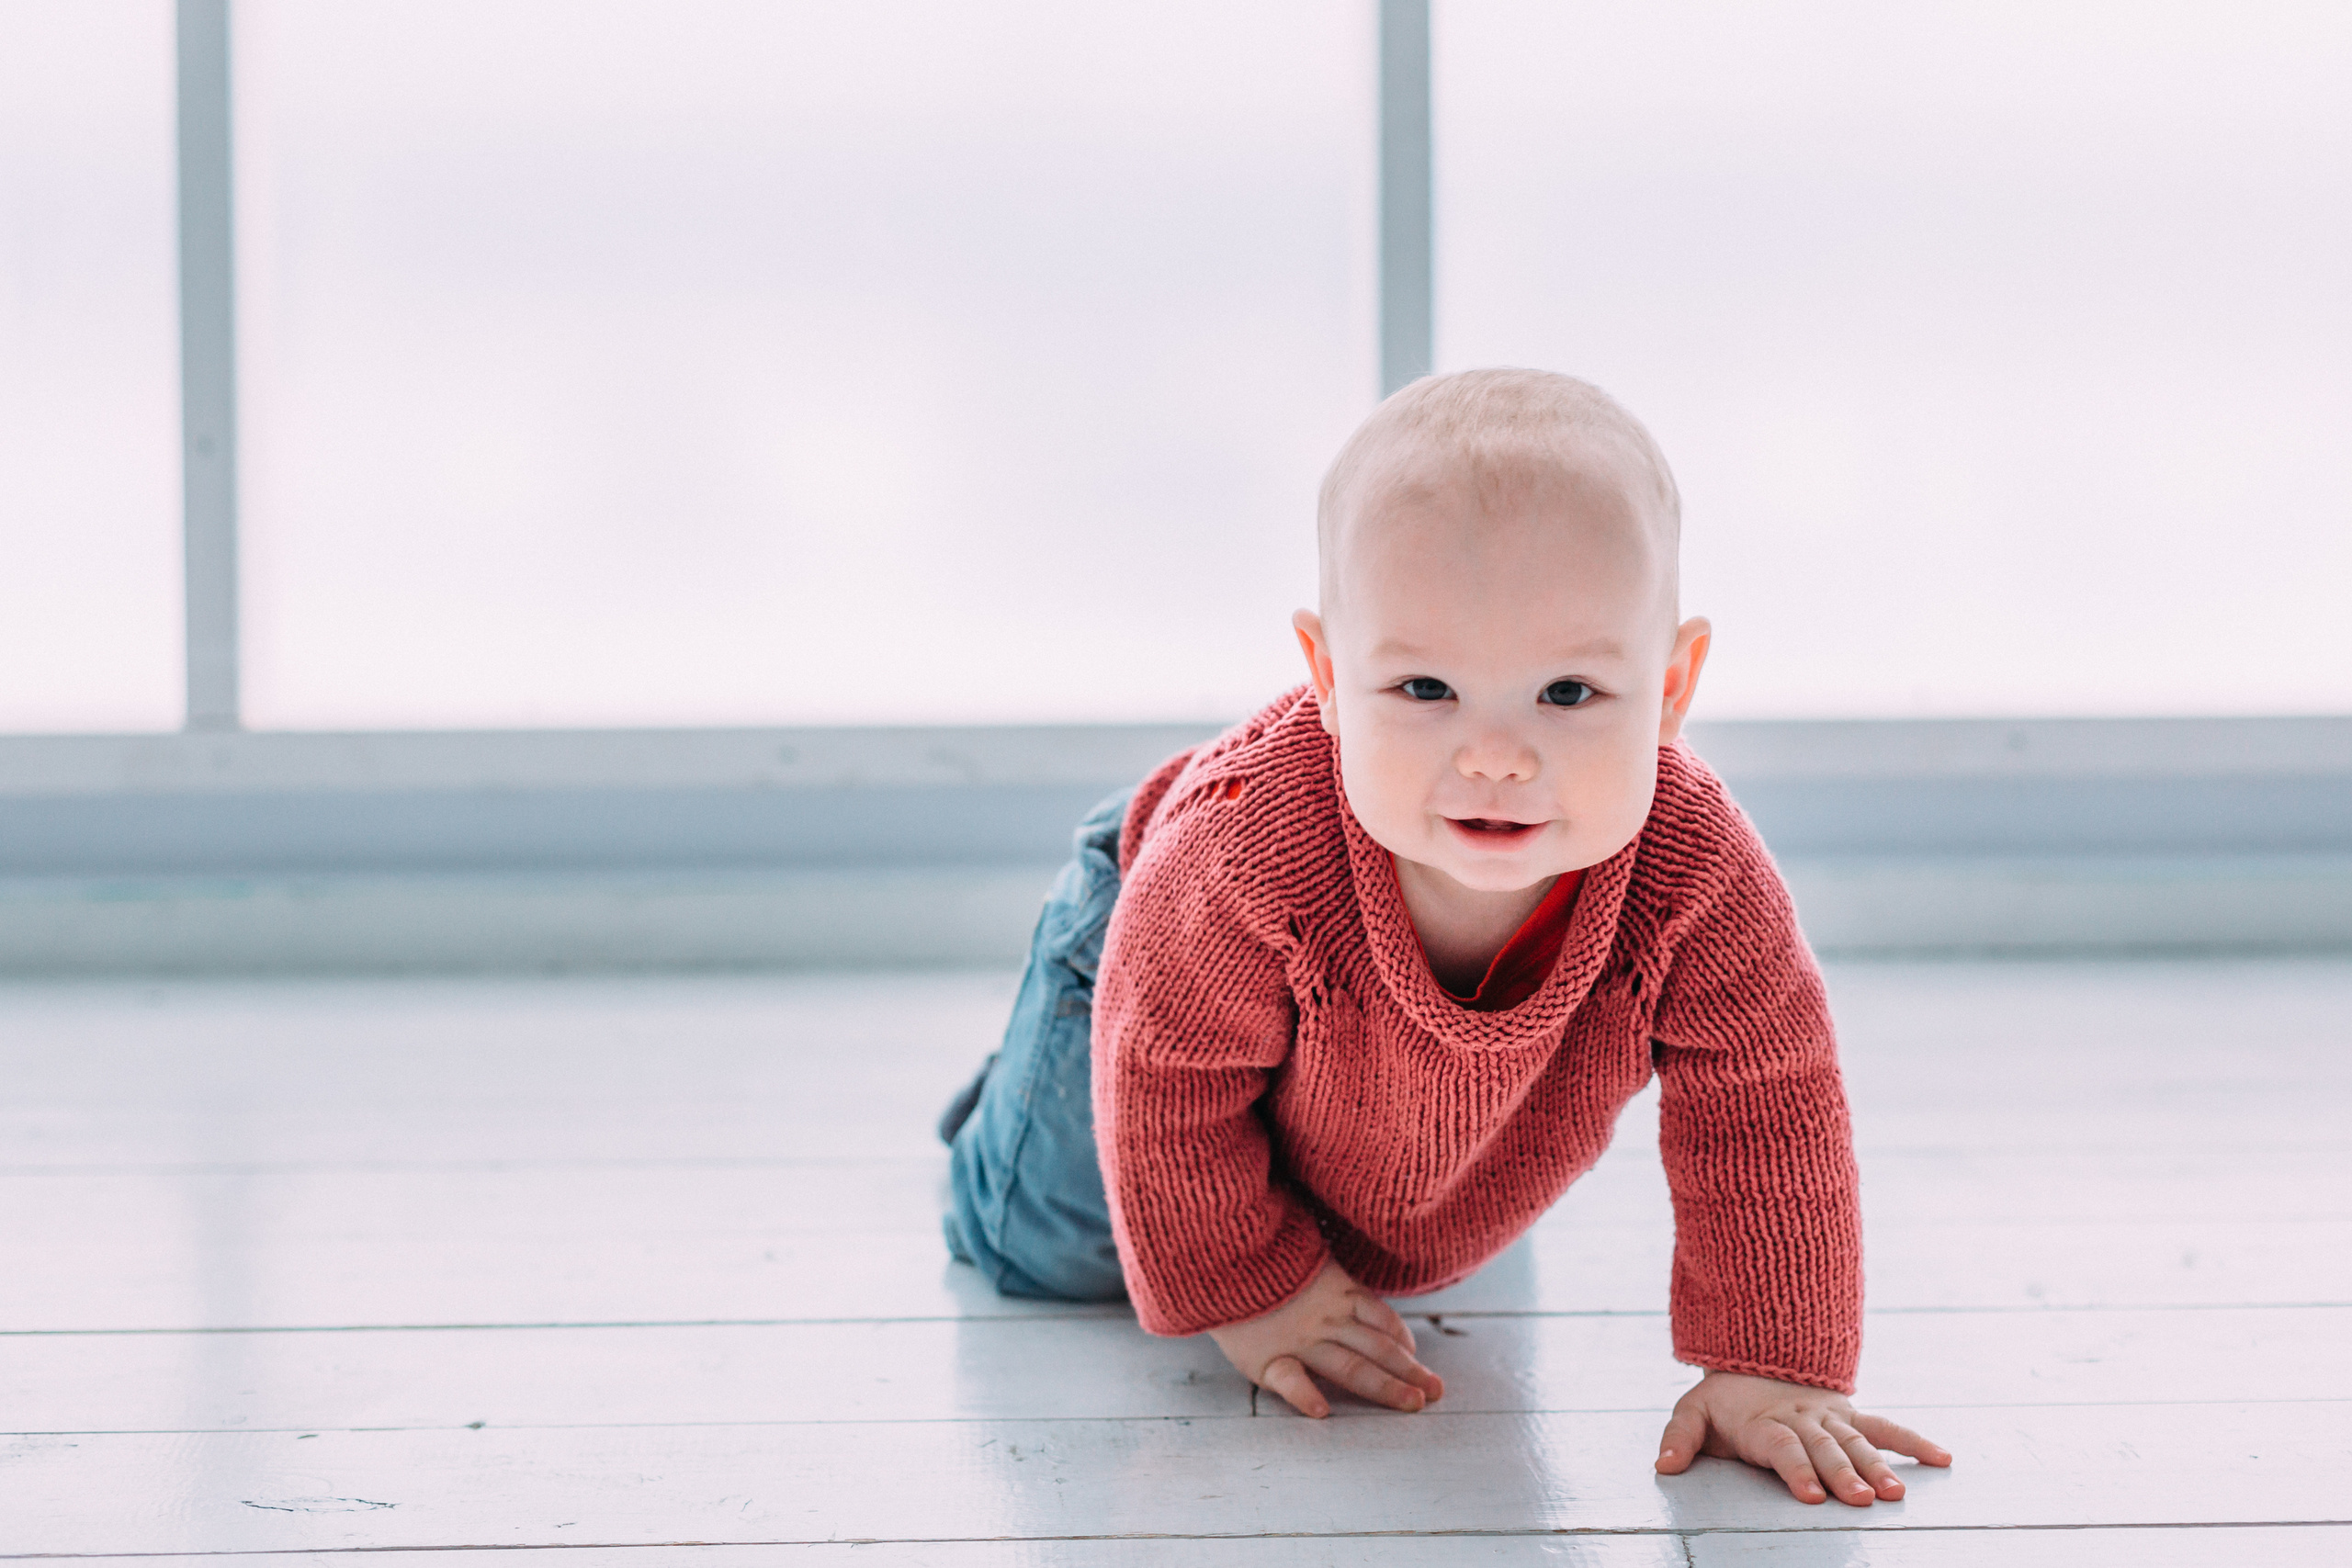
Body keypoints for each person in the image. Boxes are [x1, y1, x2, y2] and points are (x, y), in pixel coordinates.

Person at [940, 367, 1952, 1507]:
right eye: (1425, 687)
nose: (1496, 756)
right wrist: (1249, 1287)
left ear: (1670, 687)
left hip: (1374, 1092)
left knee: (1392, 1240)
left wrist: (1772, 1365)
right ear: (1326, 677)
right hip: (1134, 986)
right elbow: (1162, 1071)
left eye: (1566, 694)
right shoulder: (1241, 851)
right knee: (1056, 1256)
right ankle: (1004, 1109)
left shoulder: (1694, 869)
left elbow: (1766, 1098)